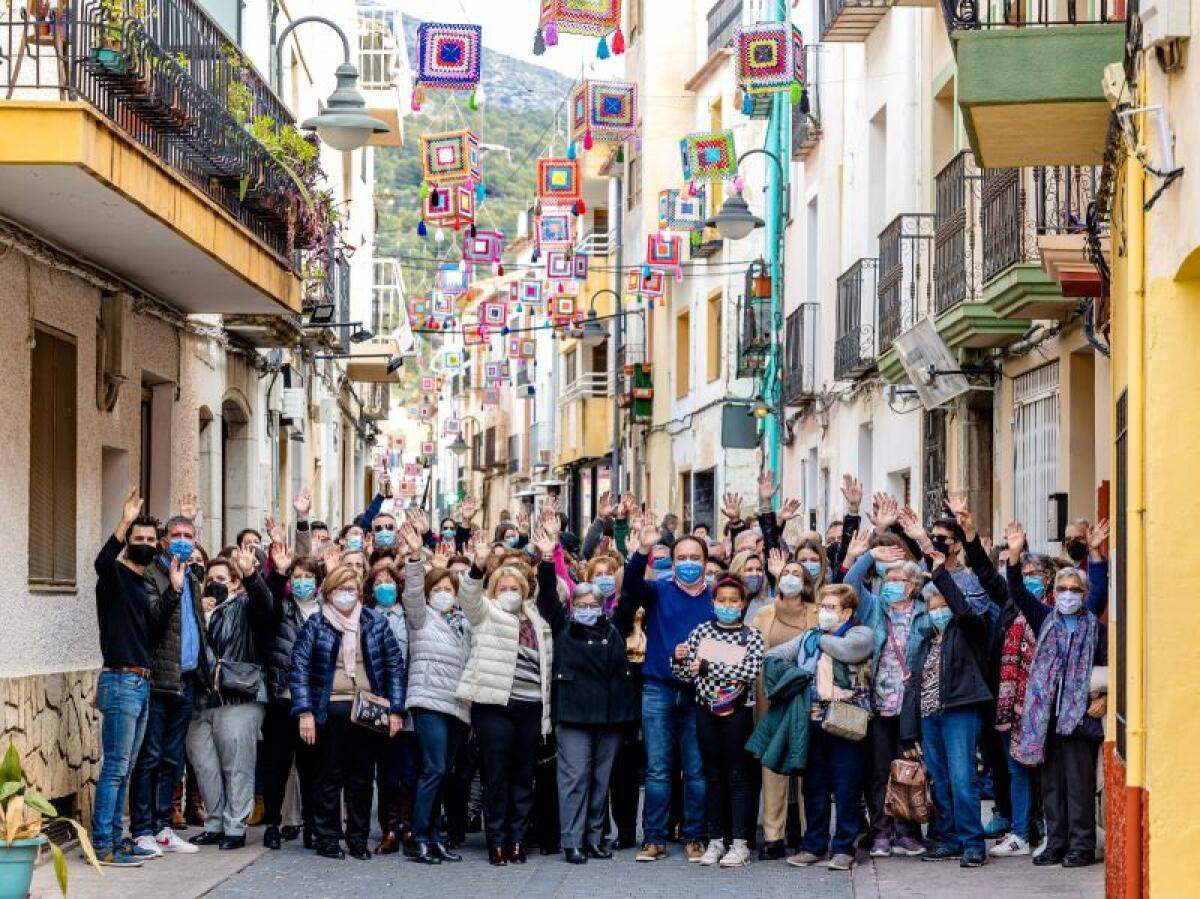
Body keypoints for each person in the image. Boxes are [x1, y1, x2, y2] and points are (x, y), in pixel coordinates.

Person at [530, 526, 638, 865]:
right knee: (574, 777)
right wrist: (548, 558)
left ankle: (594, 837)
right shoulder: (563, 626)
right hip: (574, 714)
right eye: (583, 604)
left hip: (609, 716)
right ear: (573, 606)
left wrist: (637, 557)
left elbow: (631, 596)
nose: (589, 608)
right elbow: (547, 594)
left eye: (594, 604)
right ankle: (572, 841)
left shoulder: (614, 627)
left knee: (600, 779)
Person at [1006, 523, 1107, 868]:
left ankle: (1081, 846)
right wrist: (1016, 554)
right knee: (1051, 784)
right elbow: (1017, 590)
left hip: (1080, 715)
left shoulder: (1094, 625)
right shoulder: (1044, 617)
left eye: (1073, 589)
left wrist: (1104, 700)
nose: (1067, 594)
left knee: (1079, 785)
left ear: (1083, 594)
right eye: (1062, 588)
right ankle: (1056, 842)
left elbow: (1111, 671)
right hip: (1045, 715)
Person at [614, 515, 713, 863]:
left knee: (696, 770)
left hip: (699, 692)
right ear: (673, 562)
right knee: (657, 769)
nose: (688, 564)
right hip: (657, 689)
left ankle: (695, 836)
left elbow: (731, 643)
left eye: (694, 558)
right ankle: (653, 839)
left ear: (705, 562)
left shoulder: (717, 598)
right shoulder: (659, 590)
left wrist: (705, 657)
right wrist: (642, 550)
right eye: (681, 558)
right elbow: (630, 587)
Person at [290, 566, 406, 860]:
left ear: (359, 592)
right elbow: (300, 669)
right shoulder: (316, 624)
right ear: (328, 592)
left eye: (351, 588)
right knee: (328, 776)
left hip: (368, 710)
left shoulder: (375, 622)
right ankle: (327, 838)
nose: (345, 595)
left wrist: (396, 709)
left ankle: (358, 839)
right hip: (328, 709)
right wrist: (304, 712)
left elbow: (394, 667)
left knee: (362, 779)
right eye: (339, 589)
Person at [455, 539, 553, 866]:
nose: (510, 591)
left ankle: (516, 840)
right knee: (496, 776)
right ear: (494, 590)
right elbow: (469, 597)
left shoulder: (537, 620)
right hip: (494, 706)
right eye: (503, 587)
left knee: (523, 777)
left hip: (531, 707)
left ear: (525, 590)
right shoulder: (486, 612)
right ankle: (496, 841)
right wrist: (478, 567)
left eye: (515, 586)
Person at [899, 561, 994, 869]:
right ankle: (950, 839)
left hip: (958, 713)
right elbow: (914, 686)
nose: (938, 612)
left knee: (962, 778)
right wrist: (909, 732)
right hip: (930, 718)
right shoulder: (926, 642)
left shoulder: (968, 632)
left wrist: (938, 569)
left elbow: (963, 610)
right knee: (939, 781)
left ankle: (972, 842)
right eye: (932, 607)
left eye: (943, 606)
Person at [92, 491, 168, 867]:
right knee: (115, 767)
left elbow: (151, 634)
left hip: (140, 683)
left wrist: (176, 588)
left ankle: (117, 839)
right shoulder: (115, 577)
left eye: (149, 541)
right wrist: (124, 521)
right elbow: (101, 561)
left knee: (127, 768)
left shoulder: (145, 585)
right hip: (121, 681)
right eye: (137, 540)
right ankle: (103, 844)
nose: (143, 545)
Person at [843, 528, 931, 858]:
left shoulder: (924, 613)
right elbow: (849, 586)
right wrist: (870, 555)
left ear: (913, 585)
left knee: (909, 772)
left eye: (899, 579)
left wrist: (921, 547)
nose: (891, 584)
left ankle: (907, 833)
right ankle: (881, 832)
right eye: (887, 579)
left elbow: (942, 587)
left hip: (912, 707)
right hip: (879, 705)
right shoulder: (873, 608)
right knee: (878, 772)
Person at [130, 515, 210, 857]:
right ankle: (142, 829)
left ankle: (163, 827)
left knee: (172, 759)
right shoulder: (152, 576)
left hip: (187, 679)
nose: (181, 540)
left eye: (187, 535)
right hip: (159, 680)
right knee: (149, 757)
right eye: (175, 534)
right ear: (163, 541)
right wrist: (173, 590)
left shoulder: (192, 576)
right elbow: (150, 623)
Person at [672, 577, 765, 868]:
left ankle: (740, 843)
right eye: (722, 600)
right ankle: (716, 840)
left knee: (738, 776)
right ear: (713, 603)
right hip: (705, 712)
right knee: (712, 776)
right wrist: (678, 659)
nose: (728, 605)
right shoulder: (702, 631)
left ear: (743, 603)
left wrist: (709, 666)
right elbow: (687, 674)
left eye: (734, 601)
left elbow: (748, 671)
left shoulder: (752, 635)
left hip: (737, 713)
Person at [397, 517, 472, 865]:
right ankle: (419, 836)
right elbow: (411, 594)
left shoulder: (463, 623)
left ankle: (437, 836)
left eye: (449, 590)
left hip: (458, 704)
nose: (443, 594)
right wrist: (416, 558)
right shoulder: (421, 617)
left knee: (445, 771)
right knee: (433, 769)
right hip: (428, 700)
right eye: (437, 589)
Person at [783, 584, 874, 871]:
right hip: (813, 718)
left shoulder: (860, 634)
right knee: (815, 785)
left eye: (831, 607)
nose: (823, 612)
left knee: (846, 786)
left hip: (847, 720)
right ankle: (814, 846)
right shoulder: (811, 636)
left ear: (847, 611)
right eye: (822, 606)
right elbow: (777, 654)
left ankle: (845, 849)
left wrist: (815, 637)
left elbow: (846, 651)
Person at [185, 551, 272, 850]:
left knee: (237, 765)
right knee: (205, 765)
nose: (214, 584)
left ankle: (235, 827)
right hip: (202, 700)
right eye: (210, 580)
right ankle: (215, 823)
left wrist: (252, 576)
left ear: (235, 583)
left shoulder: (245, 605)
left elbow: (265, 607)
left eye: (221, 579)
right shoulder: (198, 610)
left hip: (240, 696)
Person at [754, 549, 819, 859]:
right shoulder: (764, 613)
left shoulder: (818, 612)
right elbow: (754, 653)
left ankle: (811, 835)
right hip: (772, 699)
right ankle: (773, 837)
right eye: (786, 574)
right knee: (773, 767)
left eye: (798, 574)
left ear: (806, 582)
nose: (792, 578)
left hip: (806, 697)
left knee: (807, 766)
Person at [261, 549, 322, 851]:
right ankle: (273, 823)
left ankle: (312, 825)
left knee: (312, 767)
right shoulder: (280, 607)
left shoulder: (326, 611)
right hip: (282, 698)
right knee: (277, 766)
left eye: (308, 576)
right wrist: (279, 574)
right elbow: (265, 609)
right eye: (297, 577)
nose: (302, 582)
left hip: (314, 701)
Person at [364, 561, 414, 855]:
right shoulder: (366, 617)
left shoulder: (408, 616)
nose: (385, 587)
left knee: (408, 768)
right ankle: (389, 828)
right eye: (379, 581)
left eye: (390, 581)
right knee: (385, 771)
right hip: (376, 700)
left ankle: (407, 825)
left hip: (406, 698)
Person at [729, 550, 769, 624]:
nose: (755, 574)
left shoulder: (768, 605)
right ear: (736, 572)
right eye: (749, 570)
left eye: (759, 570)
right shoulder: (724, 601)